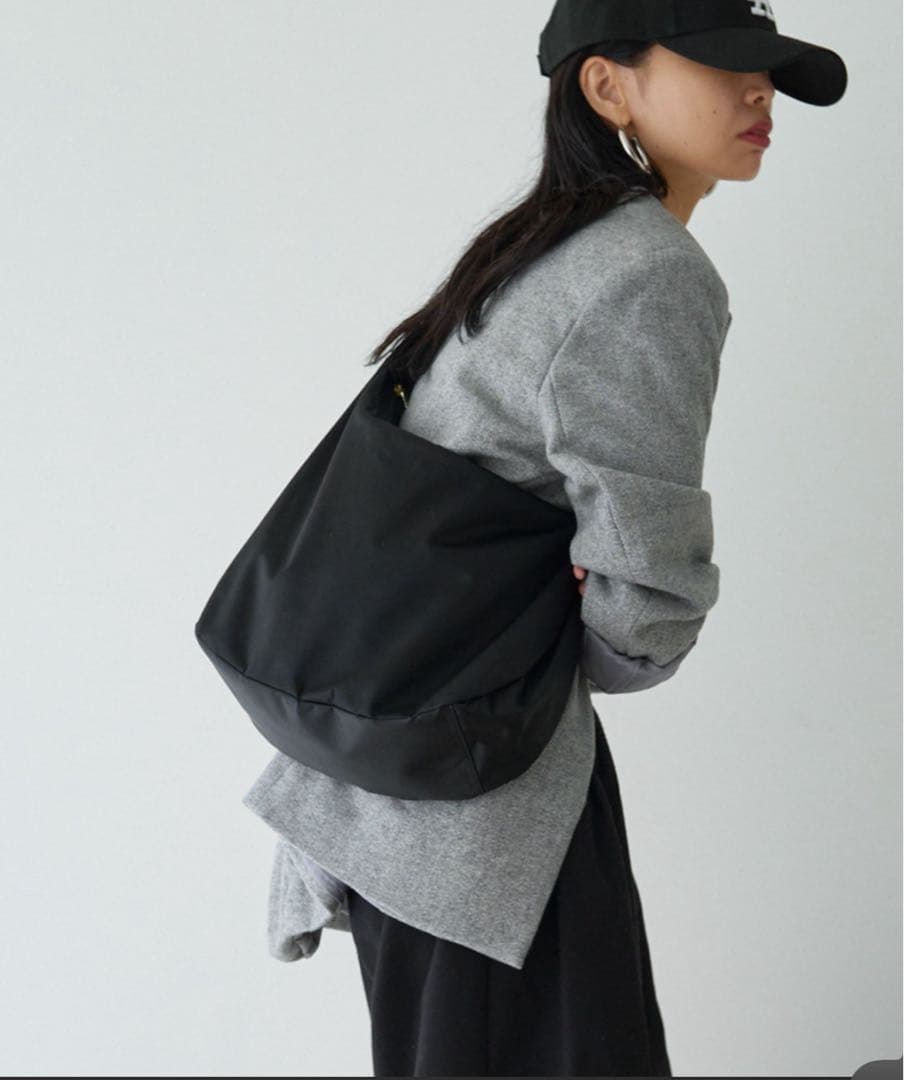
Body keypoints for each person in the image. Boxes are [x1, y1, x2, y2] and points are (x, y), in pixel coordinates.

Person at [240, 1, 848, 1075]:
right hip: (484, 802)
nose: (759, 91)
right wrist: (611, 637)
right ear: (606, 86)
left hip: (408, 777)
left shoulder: (539, 246)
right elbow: (646, 589)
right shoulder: (648, 269)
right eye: (723, 64)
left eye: (770, 70)